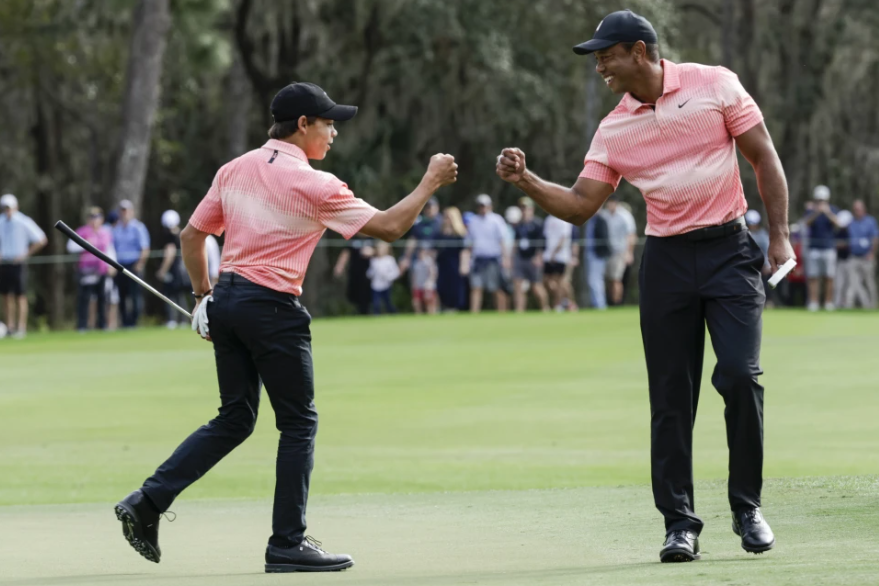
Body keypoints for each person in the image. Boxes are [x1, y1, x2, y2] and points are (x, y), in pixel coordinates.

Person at [113, 81, 457, 572]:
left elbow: (193, 236)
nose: (334, 132)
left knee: (235, 418)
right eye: (328, 122)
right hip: (272, 309)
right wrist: (430, 182)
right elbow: (388, 227)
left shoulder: (234, 169)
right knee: (298, 423)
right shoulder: (315, 184)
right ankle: (287, 544)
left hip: (228, 300)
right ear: (303, 125)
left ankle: (148, 501)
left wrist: (203, 297)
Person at [496, 9, 793, 562]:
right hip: (667, 262)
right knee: (670, 399)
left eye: (605, 55)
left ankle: (747, 507)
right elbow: (583, 206)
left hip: (730, 250)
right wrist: (527, 181)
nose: (600, 66)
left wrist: (778, 236)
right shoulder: (614, 127)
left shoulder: (715, 84)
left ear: (638, 50)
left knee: (739, 376)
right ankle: (679, 523)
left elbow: (763, 156)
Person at [0, 194, 47, 339]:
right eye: (4, 208)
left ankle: (21, 328)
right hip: (4, 263)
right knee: (6, 296)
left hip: (18, 263)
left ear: (16, 207)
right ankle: (10, 327)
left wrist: (25, 254)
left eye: (9, 208)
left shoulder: (23, 221)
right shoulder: (0, 221)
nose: (7, 211)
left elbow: (41, 239)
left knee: (20, 296)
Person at [67, 206, 117, 331]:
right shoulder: (82, 231)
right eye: (92, 217)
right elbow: (71, 247)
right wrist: (85, 244)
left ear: (102, 219)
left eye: (97, 217)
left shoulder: (105, 233)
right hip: (85, 271)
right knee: (84, 298)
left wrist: (112, 265)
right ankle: (82, 325)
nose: (95, 220)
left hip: (101, 270)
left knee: (102, 298)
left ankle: (102, 325)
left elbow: (109, 250)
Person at [467, 194, 510, 313]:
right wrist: (468, 260)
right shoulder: (473, 221)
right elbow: (469, 243)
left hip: (493, 259)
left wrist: (506, 258)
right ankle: (474, 314)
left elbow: (502, 241)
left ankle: (502, 314)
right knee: (476, 287)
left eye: (485, 206)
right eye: (480, 206)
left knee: (497, 288)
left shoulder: (496, 220)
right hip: (478, 259)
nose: (483, 208)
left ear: (490, 206)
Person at [399, 197, 442, 314]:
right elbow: (412, 241)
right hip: (420, 260)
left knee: (432, 288)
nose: (429, 210)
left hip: (436, 261)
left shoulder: (441, 223)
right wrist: (406, 257)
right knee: (418, 288)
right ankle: (420, 314)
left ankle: (435, 311)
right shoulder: (419, 224)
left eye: (431, 207)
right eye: (427, 207)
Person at [112, 199, 151, 327]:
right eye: (122, 210)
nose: (124, 213)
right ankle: (124, 322)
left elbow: (145, 248)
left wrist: (140, 264)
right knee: (121, 296)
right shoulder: (116, 228)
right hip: (119, 265)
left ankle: (133, 322)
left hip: (134, 265)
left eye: (126, 210)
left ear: (132, 212)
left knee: (135, 296)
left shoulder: (138, 227)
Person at [802, 185, 840, 311]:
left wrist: (827, 212)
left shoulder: (833, 209)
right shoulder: (811, 211)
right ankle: (814, 302)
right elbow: (806, 223)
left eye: (822, 200)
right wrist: (816, 212)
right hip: (814, 248)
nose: (820, 202)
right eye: (818, 200)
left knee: (829, 277)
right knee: (813, 276)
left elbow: (838, 224)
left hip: (829, 248)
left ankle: (828, 302)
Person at [512, 198, 549, 312]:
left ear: (531, 209)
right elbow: (516, 242)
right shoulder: (518, 225)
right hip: (521, 257)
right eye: (522, 208)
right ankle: (519, 311)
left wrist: (538, 257)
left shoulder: (537, 224)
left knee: (536, 286)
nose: (524, 211)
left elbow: (542, 243)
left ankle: (545, 308)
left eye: (526, 208)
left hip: (533, 258)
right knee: (518, 285)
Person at [156, 210, 190, 328]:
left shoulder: (169, 237)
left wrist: (162, 270)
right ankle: (184, 320)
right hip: (183, 269)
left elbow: (169, 254)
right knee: (180, 295)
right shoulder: (182, 234)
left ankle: (172, 319)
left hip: (174, 270)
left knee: (170, 295)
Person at [435, 207, 470, 311]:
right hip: (442, 265)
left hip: (455, 264)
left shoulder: (460, 234)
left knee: (455, 288)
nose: (446, 220)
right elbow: (435, 250)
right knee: (442, 287)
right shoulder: (440, 234)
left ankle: (454, 308)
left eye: (448, 217)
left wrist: (464, 266)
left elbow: (464, 251)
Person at [603, 195, 636, 306]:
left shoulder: (624, 216)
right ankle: (612, 302)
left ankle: (618, 303)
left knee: (616, 279)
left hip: (621, 251)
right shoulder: (606, 215)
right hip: (609, 252)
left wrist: (629, 253)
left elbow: (631, 235)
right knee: (610, 280)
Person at [845, 199, 878, 308]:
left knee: (869, 283)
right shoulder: (851, 222)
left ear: (864, 209)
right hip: (854, 257)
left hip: (867, 257)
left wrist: (872, 253)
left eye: (858, 209)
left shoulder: (870, 221)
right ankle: (850, 306)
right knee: (853, 283)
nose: (856, 211)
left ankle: (873, 306)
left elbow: (875, 238)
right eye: (855, 209)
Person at [333, 236, 374, 315]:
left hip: (370, 272)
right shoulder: (353, 239)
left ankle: (367, 312)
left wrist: (373, 252)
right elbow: (346, 252)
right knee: (355, 293)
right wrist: (339, 266)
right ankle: (360, 312)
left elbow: (383, 249)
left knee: (368, 294)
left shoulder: (372, 239)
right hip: (355, 271)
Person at [542, 214, 575, 311]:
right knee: (547, 282)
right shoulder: (548, 219)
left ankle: (559, 304)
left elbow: (564, 238)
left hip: (561, 256)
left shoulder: (565, 220)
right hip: (548, 256)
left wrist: (554, 253)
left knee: (561, 282)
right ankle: (566, 302)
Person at [745, 210, 773, 306]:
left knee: (764, 284)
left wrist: (767, 264)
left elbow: (766, 250)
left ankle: (768, 302)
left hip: (761, 265)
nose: (752, 226)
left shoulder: (762, 235)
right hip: (747, 264)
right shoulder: (744, 234)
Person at [583, 213, 611, 309]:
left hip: (598, 255)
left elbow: (604, 237)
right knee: (592, 280)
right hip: (589, 254)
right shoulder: (589, 220)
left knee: (595, 280)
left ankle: (600, 304)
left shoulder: (601, 220)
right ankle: (595, 303)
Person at [367, 241, 400, 314]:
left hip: (386, 285)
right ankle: (376, 316)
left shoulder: (389, 260)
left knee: (388, 303)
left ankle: (394, 314)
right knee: (376, 303)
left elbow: (396, 273)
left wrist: (388, 277)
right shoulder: (374, 260)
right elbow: (370, 272)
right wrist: (371, 274)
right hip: (375, 286)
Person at [832, 210, 853, 309]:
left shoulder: (851, 231)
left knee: (849, 284)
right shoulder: (838, 231)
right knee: (839, 283)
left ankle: (847, 304)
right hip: (840, 261)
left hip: (850, 260)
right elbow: (835, 243)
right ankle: (837, 304)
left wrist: (843, 244)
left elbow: (851, 244)